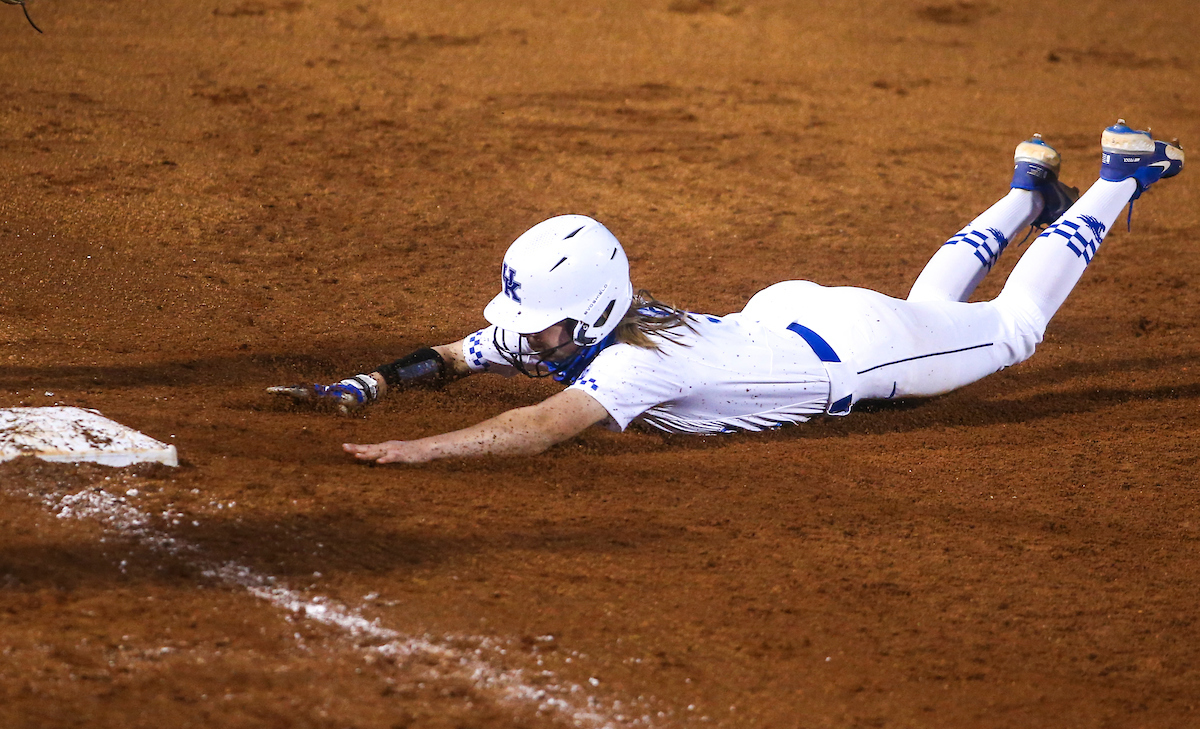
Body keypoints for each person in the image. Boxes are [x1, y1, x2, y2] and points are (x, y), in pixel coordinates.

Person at [268, 121, 1184, 464]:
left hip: (851, 348)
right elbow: (461, 354)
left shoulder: (625, 368)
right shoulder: (591, 322)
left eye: (540, 327)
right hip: (805, 321)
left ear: (585, 313)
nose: (526, 339)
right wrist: (365, 384)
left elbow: (536, 428)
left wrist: (418, 450)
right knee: (930, 310)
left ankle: (1118, 179)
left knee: (1013, 328)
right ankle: (1026, 194)